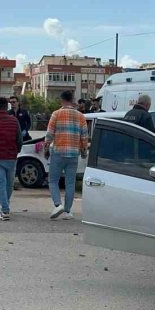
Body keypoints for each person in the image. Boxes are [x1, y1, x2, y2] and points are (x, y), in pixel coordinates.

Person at [45, 90, 89, 220]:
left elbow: (49, 134)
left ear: (61, 99)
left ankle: (58, 204)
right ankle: (68, 211)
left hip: (58, 152)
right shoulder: (80, 116)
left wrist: (46, 148)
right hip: (73, 154)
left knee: (53, 180)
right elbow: (84, 136)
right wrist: (84, 151)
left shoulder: (56, 114)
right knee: (70, 183)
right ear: (73, 99)